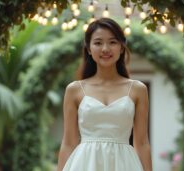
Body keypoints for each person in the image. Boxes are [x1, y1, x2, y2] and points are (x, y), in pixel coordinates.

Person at [57, 18, 152, 171]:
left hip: (124, 164)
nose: (105, 49)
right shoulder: (74, 90)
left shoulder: (137, 89)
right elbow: (69, 142)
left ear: (121, 48)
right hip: (85, 165)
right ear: (88, 48)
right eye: (98, 43)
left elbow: (142, 143)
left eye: (112, 42)